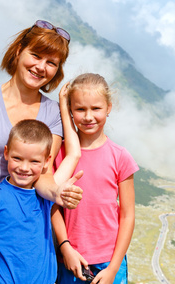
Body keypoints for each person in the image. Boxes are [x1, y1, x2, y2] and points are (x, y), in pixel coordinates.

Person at [0, 20, 83, 284]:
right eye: (35, 55)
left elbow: (43, 175)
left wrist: (58, 193)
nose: (41, 67)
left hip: (27, 231)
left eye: (51, 62)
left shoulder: (53, 112)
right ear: (19, 50)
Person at [0, 119, 83, 283]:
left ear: (46, 162)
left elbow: (74, 154)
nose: (24, 168)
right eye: (17, 158)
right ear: (6, 153)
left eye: (34, 161)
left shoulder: (46, 195)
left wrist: (63, 100)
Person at [52, 73, 139, 284]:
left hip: (109, 263)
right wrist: (66, 248)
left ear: (108, 108)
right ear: (71, 111)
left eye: (96, 109)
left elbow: (127, 215)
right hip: (69, 260)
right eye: (80, 109)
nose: (88, 116)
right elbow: (52, 207)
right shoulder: (60, 155)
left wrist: (113, 268)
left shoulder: (120, 157)